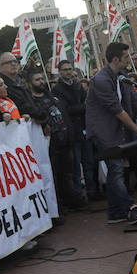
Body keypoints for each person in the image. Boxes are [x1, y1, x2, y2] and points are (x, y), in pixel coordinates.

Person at [84, 41, 137, 224]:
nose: (129, 60)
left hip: (116, 130)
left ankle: (114, 213)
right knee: (117, 168)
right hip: (103, 131)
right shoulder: (100, 80)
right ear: (115, 59)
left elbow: (135, 98)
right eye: (125, 57)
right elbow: (117, 110)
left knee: (117, 170)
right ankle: (130, 207)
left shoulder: (122, 76)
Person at [27, 70, 86, 213]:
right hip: (51, 144)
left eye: (42, 78)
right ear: (30, 84)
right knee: (55, 174)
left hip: (65, 140)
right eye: (37, 80)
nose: (41, 82)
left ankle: (71, 200)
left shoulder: (52, 96)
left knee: (68, 173)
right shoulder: (32, 102)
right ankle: (59, 204)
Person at [52, 60, 91, 199]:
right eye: (65, 69)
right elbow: (65, 110)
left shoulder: (77, 85)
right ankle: (78, 196)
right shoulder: (57, 90)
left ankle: (91, 192)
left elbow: (87, 102)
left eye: (70, 68)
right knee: (75, 167)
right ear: (60, 71)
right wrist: (82, 107)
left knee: (88, 163)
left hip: (84, 128)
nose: (68, 71)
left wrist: (81, 107)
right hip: (71, 132)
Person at [0, 52, 46, 123]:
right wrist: (41, 114)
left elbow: (34, 102)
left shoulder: (20, 84)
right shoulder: (2, 86)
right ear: (1, 67)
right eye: (9, 62)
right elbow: (23, 107)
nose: (13, 64)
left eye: (15, 61)